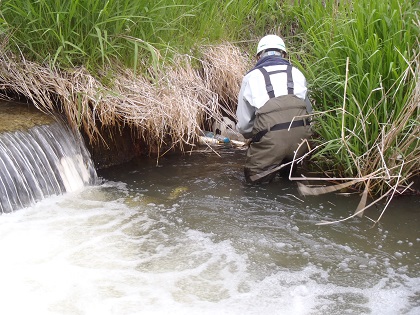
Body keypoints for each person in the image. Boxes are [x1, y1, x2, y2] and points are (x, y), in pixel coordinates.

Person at [236, 34, 313, 183]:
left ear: (258, 57)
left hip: (271, 141)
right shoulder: (297, 73)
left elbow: (245, 126)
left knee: (254, 186)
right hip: (301, 143)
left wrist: (256, 137)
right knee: (289, 182)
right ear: (284, 54)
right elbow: (310, 114)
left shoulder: (250, 78)